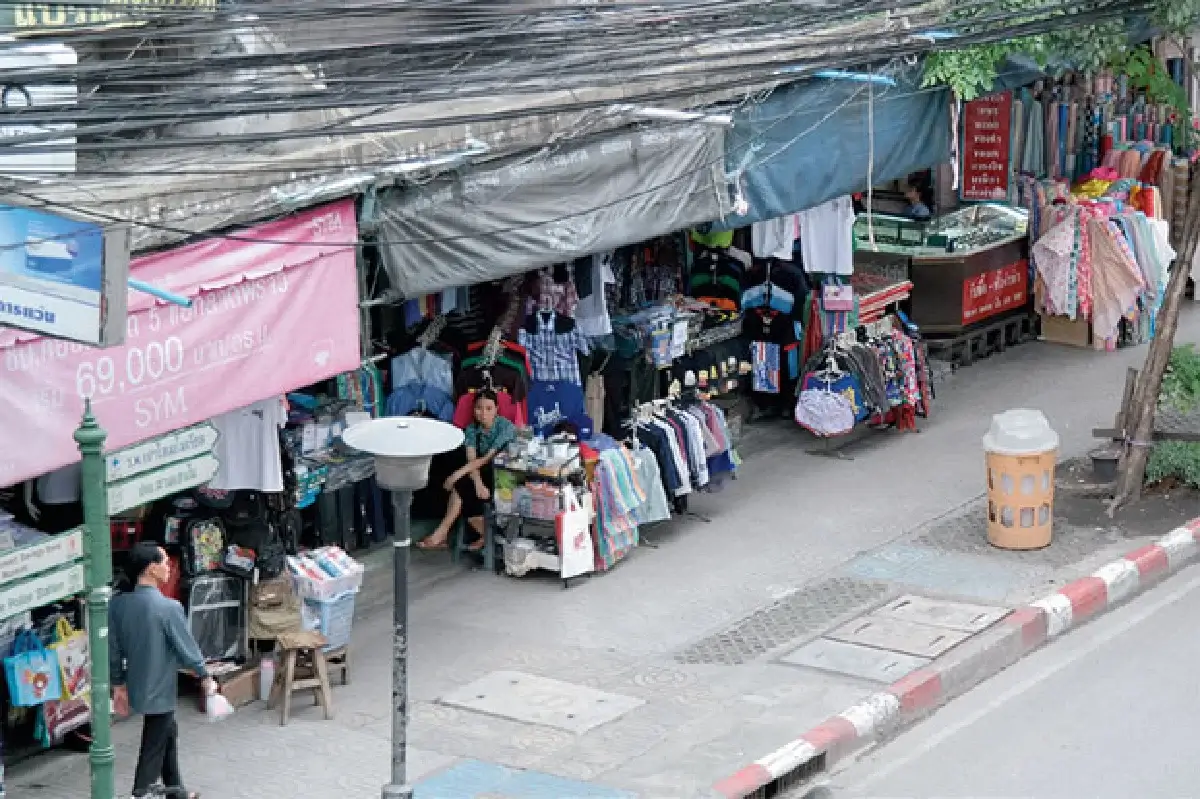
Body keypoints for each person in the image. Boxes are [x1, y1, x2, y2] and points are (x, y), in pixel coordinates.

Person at [111, 542, 213, 799]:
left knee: (167, 731)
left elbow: (112, 649)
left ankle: (176, 790)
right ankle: (141, 792)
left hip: (135, 682)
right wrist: (205, 675)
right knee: (154, 742)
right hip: (161, 685)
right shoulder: (168, 608)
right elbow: (187, 648)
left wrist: (118, 684)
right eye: (165, 562)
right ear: (151, 569)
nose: (169, 568)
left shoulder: (118, 605)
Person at [417, 389, 516, 550]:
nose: (483, 413)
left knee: (460, 484)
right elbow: (472, 459)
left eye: (489, 408)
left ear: (497, 409)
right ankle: (456, 533)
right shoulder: (471, 430)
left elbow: (486, 458)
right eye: (479, 408)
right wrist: (477, 483)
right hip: (478, 472)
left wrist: (456, 475)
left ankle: (445, 533)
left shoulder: (505, 427)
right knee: (464, 485)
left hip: (502, 475)